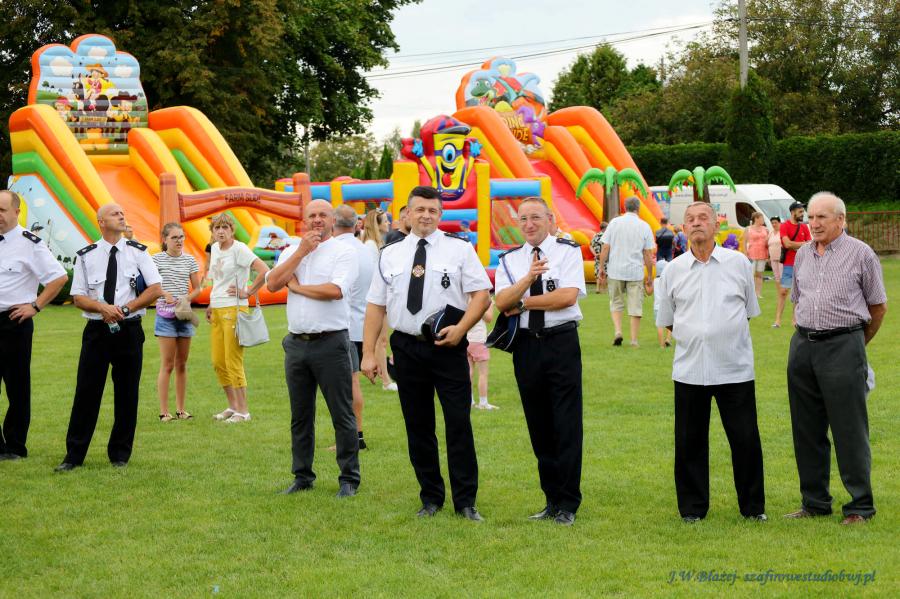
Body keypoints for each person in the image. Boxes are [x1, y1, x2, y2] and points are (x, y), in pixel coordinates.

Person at [362, 185, 491, 521]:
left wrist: (461, 329)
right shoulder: (389, 254)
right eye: (419, 209)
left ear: (440, 214)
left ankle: (465, 501)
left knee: (458, 423)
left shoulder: (459, 249)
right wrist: (368, 353)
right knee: (418, 426)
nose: (426, 216)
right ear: (407, 213)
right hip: (407, 347)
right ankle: (431, 498)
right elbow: (375, 305)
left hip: (448, 346)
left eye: (432, 210)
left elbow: (481, 295)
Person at [655, 201, 766, 523]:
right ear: (683, 228)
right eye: (690, 219)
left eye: (703, 218)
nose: (696, 223)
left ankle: (753, 508)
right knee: (689, 442)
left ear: (716, 225)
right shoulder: (673, 270)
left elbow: (747, 310)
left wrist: (719, 331)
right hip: (690, 369)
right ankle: (692, 509)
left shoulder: (738, 263)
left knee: (745, 439)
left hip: (734, 366)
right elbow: (668, 318)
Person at [784, 192, 887, 525]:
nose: (813, 224)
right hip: (803, 347)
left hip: (843, 345)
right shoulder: (803, 254)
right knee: (806, 428)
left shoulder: (861, 254)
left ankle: (860, 506)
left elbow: (878, 306)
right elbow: (798, 299)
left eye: (821, 217)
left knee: (849, 429)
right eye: (810, 217)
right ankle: (814, 502)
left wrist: (855, 343)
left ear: (841, 220)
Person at [494, 197, 587, 526]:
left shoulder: (567, 250)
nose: (529, 224)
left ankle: (569, 503)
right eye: (523, 219)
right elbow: (501, 301)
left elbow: (567, 296)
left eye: (535, 217)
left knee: (566, 424)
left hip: (560, 343)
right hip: (526, 347)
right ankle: (551, 499)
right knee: (539, 425)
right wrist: (526, 279)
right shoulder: (510, 259)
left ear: (549, 218)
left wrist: (523, 302)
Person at [56, 203, 163, 471]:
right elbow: (78, 297)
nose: (122, 216)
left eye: (123, 213)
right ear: (101, 222)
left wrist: (124, 309)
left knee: (127, 393)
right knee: (86, 392)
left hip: (129, 329)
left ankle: (119, 455)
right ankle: (73, 456)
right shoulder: (86, 255)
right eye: (115, 214)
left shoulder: (139, 252)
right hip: (97, 331)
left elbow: (155, 289)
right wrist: (102, 308)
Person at [267, 200, 360, 498]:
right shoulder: (292, 250)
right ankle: (302, 476)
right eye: (312, 215)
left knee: (341, 413)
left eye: (323, 215)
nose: (317, 220)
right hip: (297, 343)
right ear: (304, 220)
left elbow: (335, 291)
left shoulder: (344, 251)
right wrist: (301, 252)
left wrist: (296, 288)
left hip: (331, 342)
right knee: (300, 415)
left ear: (333, 219)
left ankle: (349, 478)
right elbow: (272, 283)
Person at [0, 190, 68, 461]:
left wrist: (35, 306)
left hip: (13, 321)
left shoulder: (30, 243)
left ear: (17, 212)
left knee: (16, 386)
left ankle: (15, 446)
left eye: (2, 210)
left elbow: (58, 278)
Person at [206, 213, 269, 423]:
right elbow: (217, 281)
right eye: (217, 228)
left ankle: (243, 411)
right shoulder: (215, 248)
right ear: (212, 231)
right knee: (218, 362)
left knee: (233, 361)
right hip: (217, 309)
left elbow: (264, 270)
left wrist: (248, 292)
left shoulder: (239, 249)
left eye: (225, 227)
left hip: (234, 309)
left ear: (232, 230)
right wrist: (211, 303)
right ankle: (232, 406)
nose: (220, 231)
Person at [333, 204, 375, 449]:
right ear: (356, 224)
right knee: (351, 381)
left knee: (348, 384)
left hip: (344, 325)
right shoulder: (365, 250)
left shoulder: (338, 250)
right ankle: (354, 435)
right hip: (361, 323)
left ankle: (354, 436)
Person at [152, 223, 202, 422]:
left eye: (181, 237)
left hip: (184, 316)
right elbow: (151, 286)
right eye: (174, 237)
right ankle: (164, 412)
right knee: (167, 364)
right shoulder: (156, 259)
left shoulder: (190, 260)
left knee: (182, 364)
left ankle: (181, 410)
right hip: (165, 317)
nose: (179, 241)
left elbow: (198, 288)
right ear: (165, 240)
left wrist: (186, 298)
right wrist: (164, 293)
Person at [597, 197, 655, 347]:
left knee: (616, 302)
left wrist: (601, 267)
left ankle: (618, 331)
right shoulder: (644, 226)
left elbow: (605, 247)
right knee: (635, 306)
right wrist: (649, 275)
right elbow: (647, 253)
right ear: (638, 208)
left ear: (625, 207)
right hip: (635, 272)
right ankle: (634, 340)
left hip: (615, 269)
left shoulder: (614, 223)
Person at [361, 208, 398, 392]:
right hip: (377, 300)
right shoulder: (370, 246)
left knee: (382, 340)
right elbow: (373, 276)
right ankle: (385, 380)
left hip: (382, 299)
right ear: (377, 225)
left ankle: (385, 377)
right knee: (381, 341)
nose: (388, 223)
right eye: (385, 221)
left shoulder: (377, 244)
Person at [773, 202, 810, 328]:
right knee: (783, 291)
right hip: (789, 264)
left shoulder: (804, 227)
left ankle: (795, 320)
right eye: (800, 212)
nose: (803, 214)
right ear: (793, 212)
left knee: (798, 292)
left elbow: (810, 244)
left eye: (803, 211)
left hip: (803, 264)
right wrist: (802, 244)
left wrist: (796, 245)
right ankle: (777, 320)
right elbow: (787, 244)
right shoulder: (784, 226)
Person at [466, 299, 496, 410]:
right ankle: (483, 403)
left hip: (466, 339)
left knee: (469, 372)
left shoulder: (464, 298)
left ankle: (470, 401)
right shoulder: (481, 299)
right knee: (483, 373)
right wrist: (490, 305)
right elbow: (489, 318)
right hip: (478, 340)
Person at [744, 212, 769, 299]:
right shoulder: (748, 229)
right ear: (756, 219)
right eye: (762, 218)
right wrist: (745, 253)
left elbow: (768, 242)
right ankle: (749, 293)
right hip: (751, 254)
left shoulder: (765, 229)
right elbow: (744, 242)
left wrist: (768, 254)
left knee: (759, 274)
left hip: (762, 254)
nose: (763, 220)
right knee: (750, 274)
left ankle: (758, 293)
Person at [650, 259, 672, 348]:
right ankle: (668, 339)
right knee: (670, 323)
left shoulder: (654, 281)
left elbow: (649, 291)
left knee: (659, 326)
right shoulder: (669, 281)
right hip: (668, 306)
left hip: (657, 307)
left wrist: (646, 286)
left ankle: (661, 345)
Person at [589, 222, 608, 294]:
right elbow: (606, 246)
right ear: (605, 228)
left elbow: (590, 246)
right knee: (605, 272)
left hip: (597, 257)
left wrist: (595, 254)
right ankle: (603, 289)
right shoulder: (606, 236)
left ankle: (597, 288)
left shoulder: (595, 236)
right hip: (605, 256)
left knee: (598, 271)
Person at [767, 217, 783, 285]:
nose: (774, 224)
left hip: (781, 258)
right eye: (772, 223)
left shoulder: (783, 232)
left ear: (779, 223)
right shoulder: (770, 233)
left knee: (782, 276)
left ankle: (784, 290)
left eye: (775, 223)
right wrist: (768, 257)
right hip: (773, 258)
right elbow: (768, 245)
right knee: (776, 277)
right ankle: (779, 290)